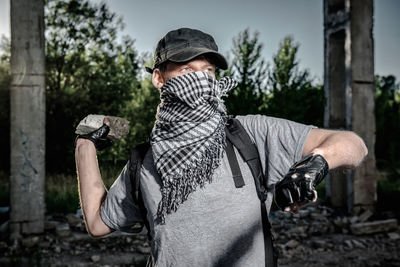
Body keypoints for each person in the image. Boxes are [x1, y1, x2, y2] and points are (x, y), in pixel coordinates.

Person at [75, 28, 368, 267]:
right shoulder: (144, 161)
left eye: (208, 72)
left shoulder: (250, 134)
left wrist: (314, 165)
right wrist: (84, 144)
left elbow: (353, 145)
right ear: (158, 78)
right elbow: (99, 223)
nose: (200, 80)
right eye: (187, 69)